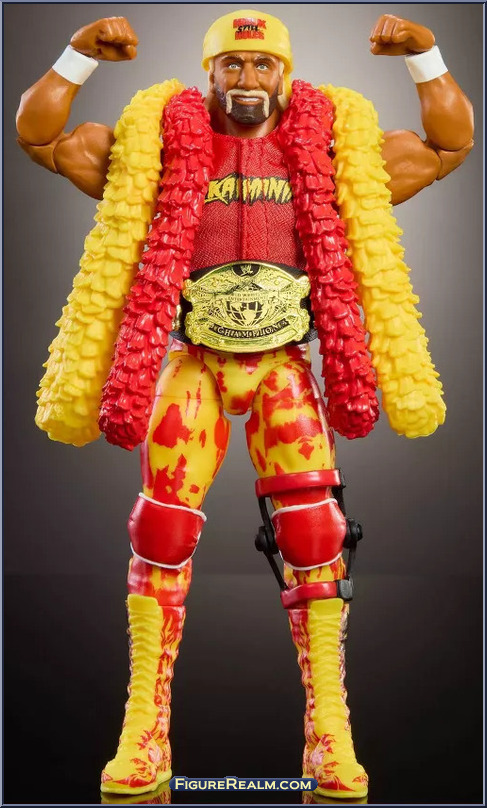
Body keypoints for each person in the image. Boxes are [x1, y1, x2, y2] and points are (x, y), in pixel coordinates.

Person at [16, 8, 474, 799]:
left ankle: (329, 732)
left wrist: (426, 55)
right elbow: (42, 138)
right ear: (209, 73)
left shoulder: (333, 153)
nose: (248, 78)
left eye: (263, 65)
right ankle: (144, 729)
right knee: (160, 529)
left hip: (280, 364)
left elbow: (446, 147)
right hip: (192, 360)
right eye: (231, 64)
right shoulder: (155, 146)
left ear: (285, 74)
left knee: (315, 535)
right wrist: (75, 55)